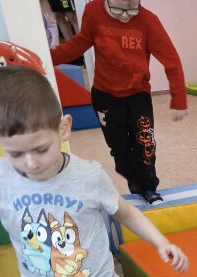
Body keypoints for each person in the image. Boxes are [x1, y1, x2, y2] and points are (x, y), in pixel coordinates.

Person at [0, 65, 188, 277]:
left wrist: (161, 242)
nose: (31, 163)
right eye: (16, 154)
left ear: (63, 128)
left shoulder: (88, 176)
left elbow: (124, 211)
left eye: (41, 149)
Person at [49, 0, 188, 205]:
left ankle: (148, 188)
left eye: (131, 10)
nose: (124, 15)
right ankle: (135, 180)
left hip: (137, 95)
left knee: (145, 144)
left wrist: (179, 98)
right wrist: (47, 57)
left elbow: (171, 59)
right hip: (105, 96)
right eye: (117, 9)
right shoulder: (93, 11)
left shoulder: (148, 21)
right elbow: (79, 43)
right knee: (120, 148)